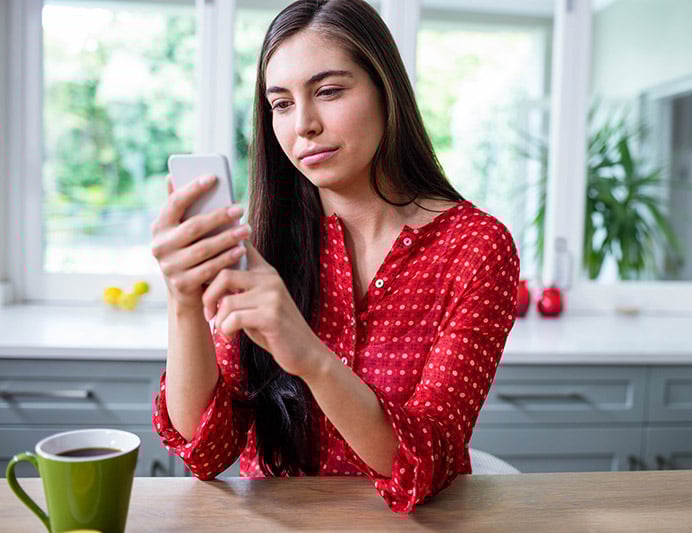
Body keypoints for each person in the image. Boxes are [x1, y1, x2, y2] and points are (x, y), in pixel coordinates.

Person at [150, 0, 519, 514]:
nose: (303, 125)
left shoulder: (475, 247)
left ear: (385, 91)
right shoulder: (259, 246)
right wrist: (183, 299)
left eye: (328, 91)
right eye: (280, 103)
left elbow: (426, 461)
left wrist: (310, 358)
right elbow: (205, 451)